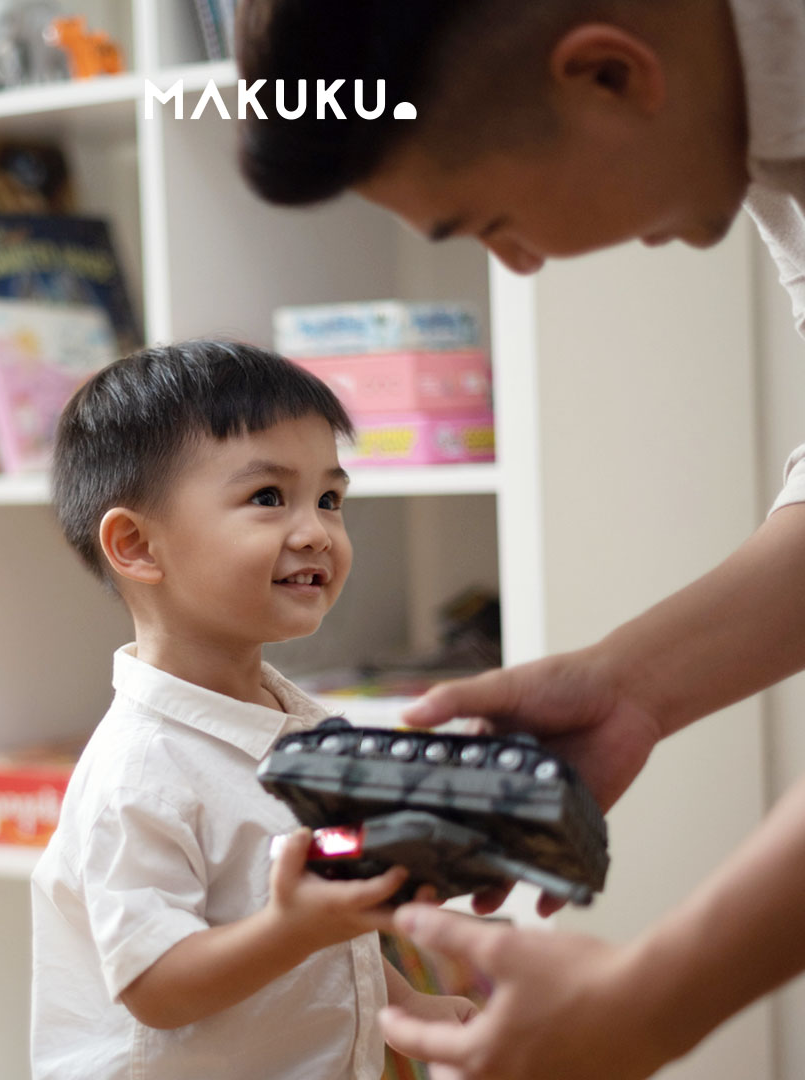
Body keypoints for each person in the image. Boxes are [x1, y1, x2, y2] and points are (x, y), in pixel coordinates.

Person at [234, 1, 805, 1077]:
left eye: (485, 220)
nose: (523, 262)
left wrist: (649, 1005)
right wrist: (632, 685)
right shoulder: (764, 142)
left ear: (608, 76)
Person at [30, 340, 475, 1080]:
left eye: (330, 499)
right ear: (137, 545)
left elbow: (335, 940)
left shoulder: (301, 725)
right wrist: (290, 929)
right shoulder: (142, 770)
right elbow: (157, 987)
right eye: (269, 498)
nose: (316, 532)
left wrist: (404, 1009)